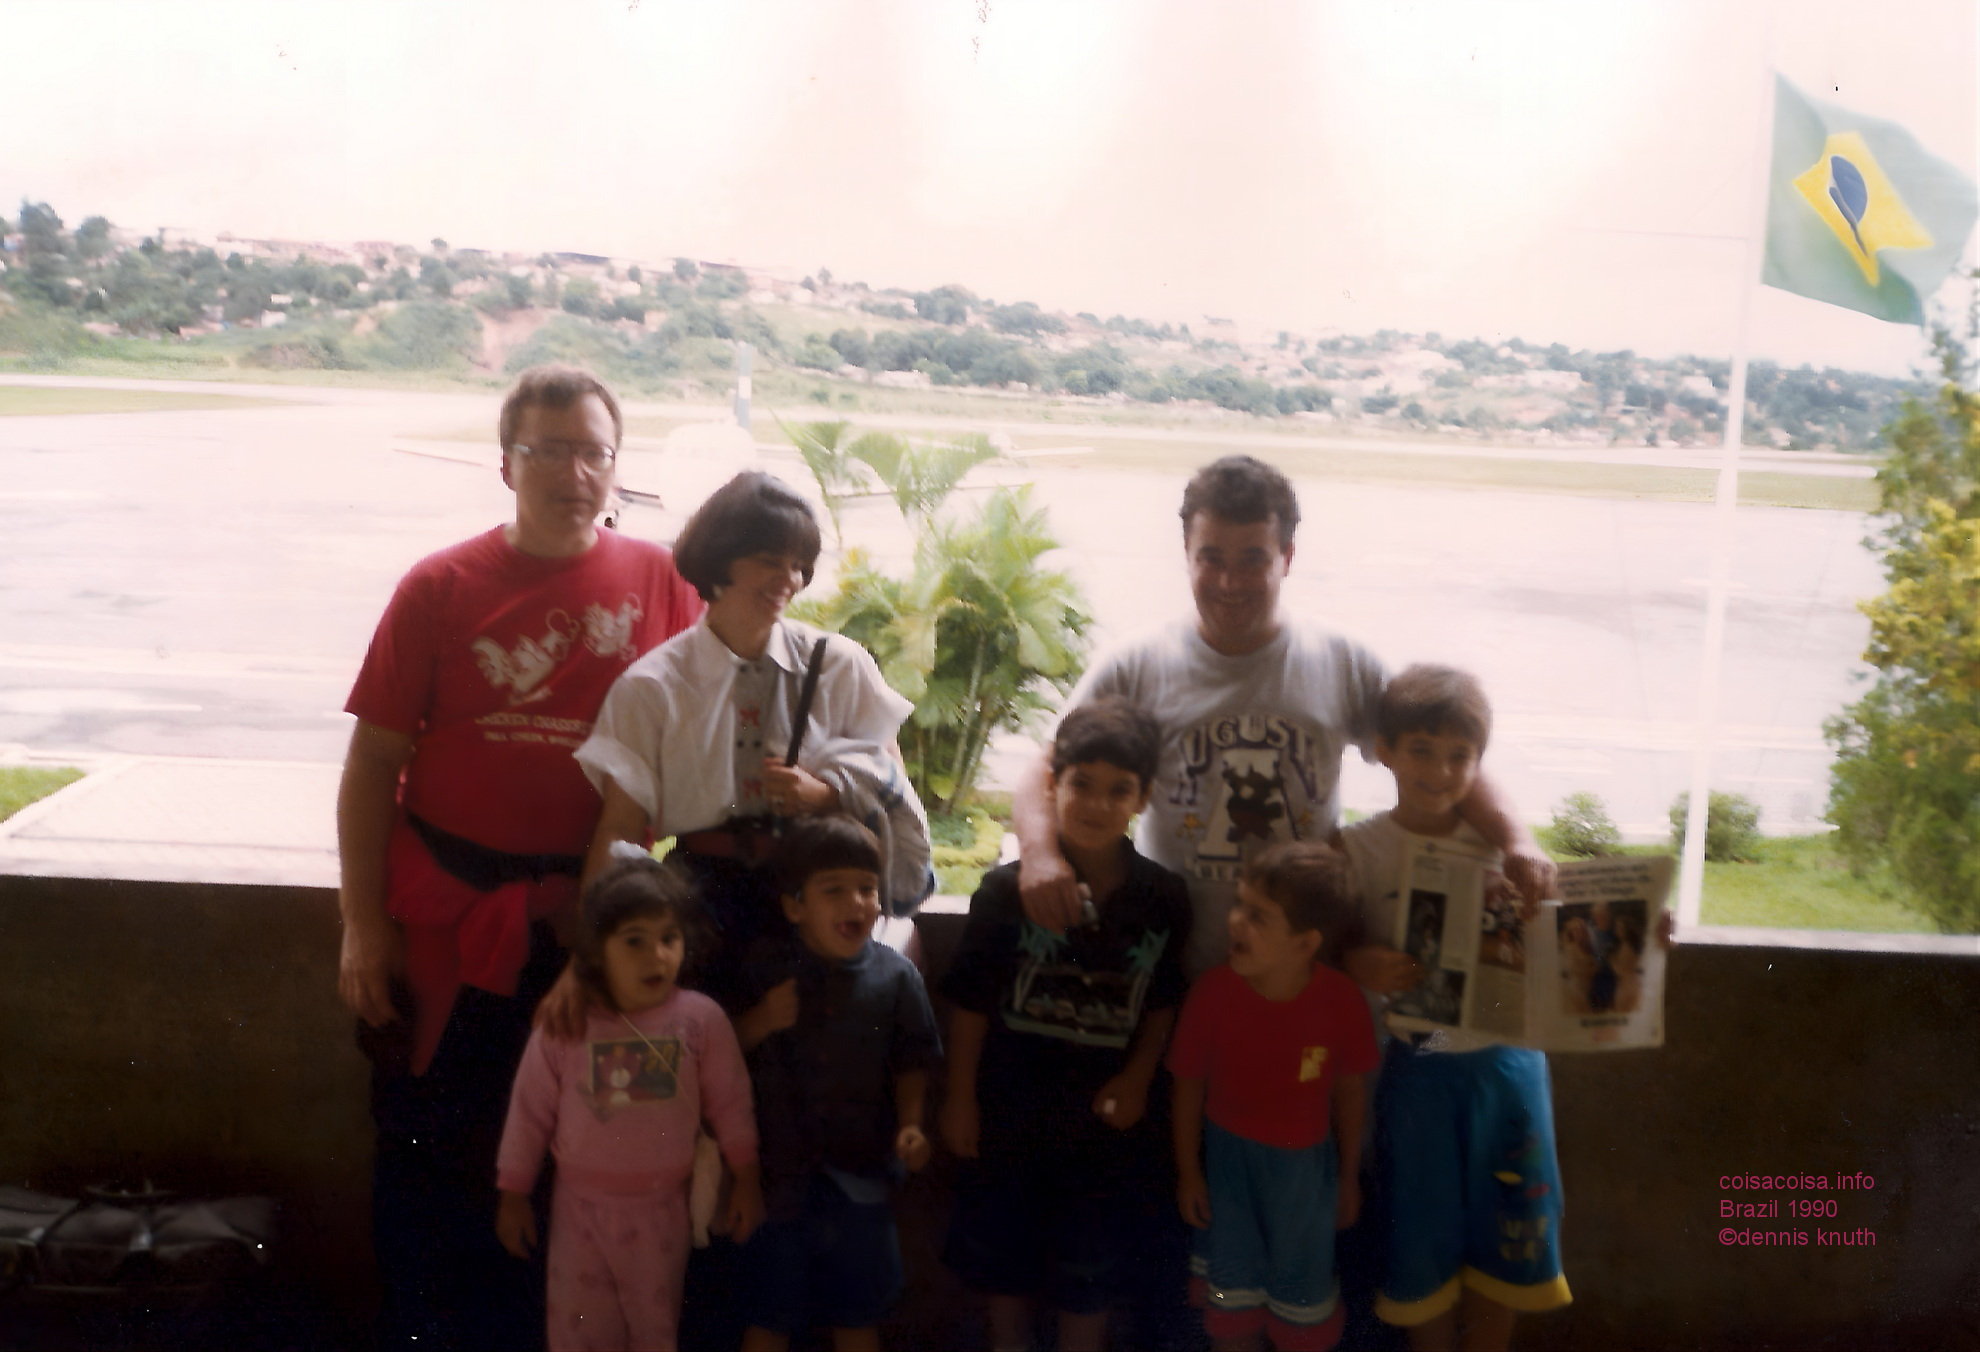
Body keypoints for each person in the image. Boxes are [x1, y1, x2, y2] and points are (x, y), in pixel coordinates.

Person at [337, 364, 703, 1349]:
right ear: (507, 463)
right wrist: (362, 923)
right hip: (449, 923)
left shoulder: (661, 580)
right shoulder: (440, 585)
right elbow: (374, 761)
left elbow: (717, 714)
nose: (573, 472)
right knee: (430, 1150)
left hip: (587, 922)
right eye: (549, 449)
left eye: (593, 451)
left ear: (616, 466)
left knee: (571, 1158)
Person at [1010, 455, 1556, 975]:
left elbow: (1440, 751)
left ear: (1287, 558)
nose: (1229, 582)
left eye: (1253, 559)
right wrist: (1039, 855)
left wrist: (1517, 842)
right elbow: (1047, 767)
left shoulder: (1342, 661)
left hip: (1301, 970)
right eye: (1211, 557)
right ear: (1186, 551)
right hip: (1168, 963)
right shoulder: (1135, 664)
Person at [571, 470, 932, 1011]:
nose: (787, 578)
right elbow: (620, 832)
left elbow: (889, 785)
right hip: (703, 904)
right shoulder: (653, 687)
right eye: (769, 559)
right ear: (719, 559)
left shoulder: (839, 665)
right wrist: (588, 960)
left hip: (816, 898)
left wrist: (825, 796)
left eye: (797, 564)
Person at [939, 698, 1193, 1352]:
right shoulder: (1004, 892)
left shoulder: (1163, 897)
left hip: (1106, 1119)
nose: (1096, 804)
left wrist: (1139, 1079)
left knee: (1093, 1262)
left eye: (1119, 791)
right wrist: (961, 1098)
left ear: (1144, 799)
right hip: (1010, 1109)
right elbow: (969, 1003)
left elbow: (1163, 998)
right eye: (1081, 784)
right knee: (1005, 1258)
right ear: (1053, 785)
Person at [1333, 665, 1570, 1352]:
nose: (1439, 771)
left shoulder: (1508, 851)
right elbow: (1325, 935)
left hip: (1511, 1065)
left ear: (1480, 761)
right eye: (1421, 751)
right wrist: (1357, 960)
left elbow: (1571, 933)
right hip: (1420, 1064)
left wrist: (1646, 929)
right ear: (1384, 750)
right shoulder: (1358, 848)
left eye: (1459, 756)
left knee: (1510, 1235)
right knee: (1422, 1242)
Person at [495, 853, 763, 1352]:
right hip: (580, 1214)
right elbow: (528, 1115)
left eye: (668, 938)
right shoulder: (567, 1024)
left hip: (663, 1213)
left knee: (655, 1331)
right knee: (579, 1333)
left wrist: (746, 1180)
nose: (656, 955)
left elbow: (732, 1103)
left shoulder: (700, 1022)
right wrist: (513, 1195)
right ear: (596, 951)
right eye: (634, 941)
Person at [730, 816, 942, 1352]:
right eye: (834, 891)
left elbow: (913, 1061)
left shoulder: (897, 976)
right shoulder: (763, 967)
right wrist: (758, 1022)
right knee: (768, 1312)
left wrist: (913, 1125)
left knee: (858, 1312)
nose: (857, 903)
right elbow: (713, 1049)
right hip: (776, 1181)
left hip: (864, 1176)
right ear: (795, 906)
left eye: (867, 888)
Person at [1169, 841, 1378, 1351]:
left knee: (1301, 1305)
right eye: (1239, 904)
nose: (1235, 921)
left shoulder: (1341, 1002)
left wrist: (1348, 1176)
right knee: (1232, 1304)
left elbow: (1351, 1094)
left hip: (1305, 1179)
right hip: (1227, 1173)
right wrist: (1190, 1173)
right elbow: (1187, 1086)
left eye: (1258, 916)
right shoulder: (1212, 994)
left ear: (1306, 943)